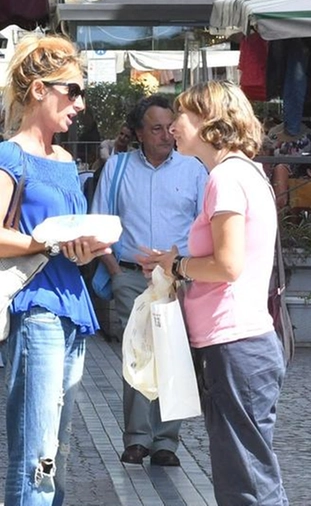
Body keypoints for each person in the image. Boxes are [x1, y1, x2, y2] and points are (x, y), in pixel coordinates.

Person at [141, 80, 287, 505]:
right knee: (245, 469)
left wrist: (178, 266)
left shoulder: (225, 177)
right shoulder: (243, 172)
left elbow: (227, 264)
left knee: (246, 478)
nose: (173, 127)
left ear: (210, 122)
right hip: (239, 343)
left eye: (182, 116)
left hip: (234, 343)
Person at [0, 33, 115, 506]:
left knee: (54, 450)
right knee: (37, 451)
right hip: (36, 308)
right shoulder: (10, 156)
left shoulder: (67, 161)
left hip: (70, 305)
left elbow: (67, 242)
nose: (80, 103)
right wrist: (41, 242)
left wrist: (84, 250)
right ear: (38, 90)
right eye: (73, 91)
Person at [92, 94, 207, 467]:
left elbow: (204, 226)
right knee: (138, 353)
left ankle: (166, 443)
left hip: (179, 278)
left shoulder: (193, 168)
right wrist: (113, 270)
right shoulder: (119, 167)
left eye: (169, 127)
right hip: (129, 274)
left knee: (174, 352)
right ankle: (137, 438)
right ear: (139, 132)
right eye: (155, 128)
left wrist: (183, 266)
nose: (165, 135)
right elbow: (100, 222)